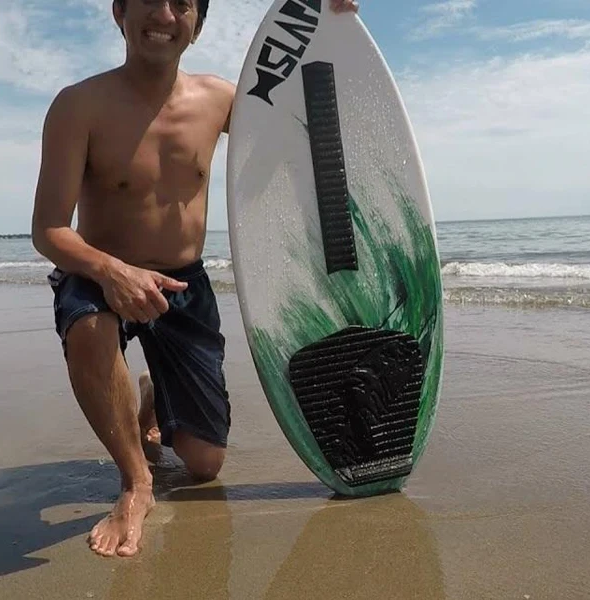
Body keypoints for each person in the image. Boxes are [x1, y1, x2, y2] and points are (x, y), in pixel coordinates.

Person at [31, 0, 360, 559]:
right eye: (148, 0)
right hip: (98, 271)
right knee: (89, 327)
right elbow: (48, 229)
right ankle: (135, 483)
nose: (164, 13)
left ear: (198, 24)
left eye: (181, 3)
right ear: (119, 12)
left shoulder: (221, 100)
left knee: (205, 464)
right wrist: (111, 271)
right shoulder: (79, 106)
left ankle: (154, 395)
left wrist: (329, 24)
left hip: (183, 284)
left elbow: (302, 111)